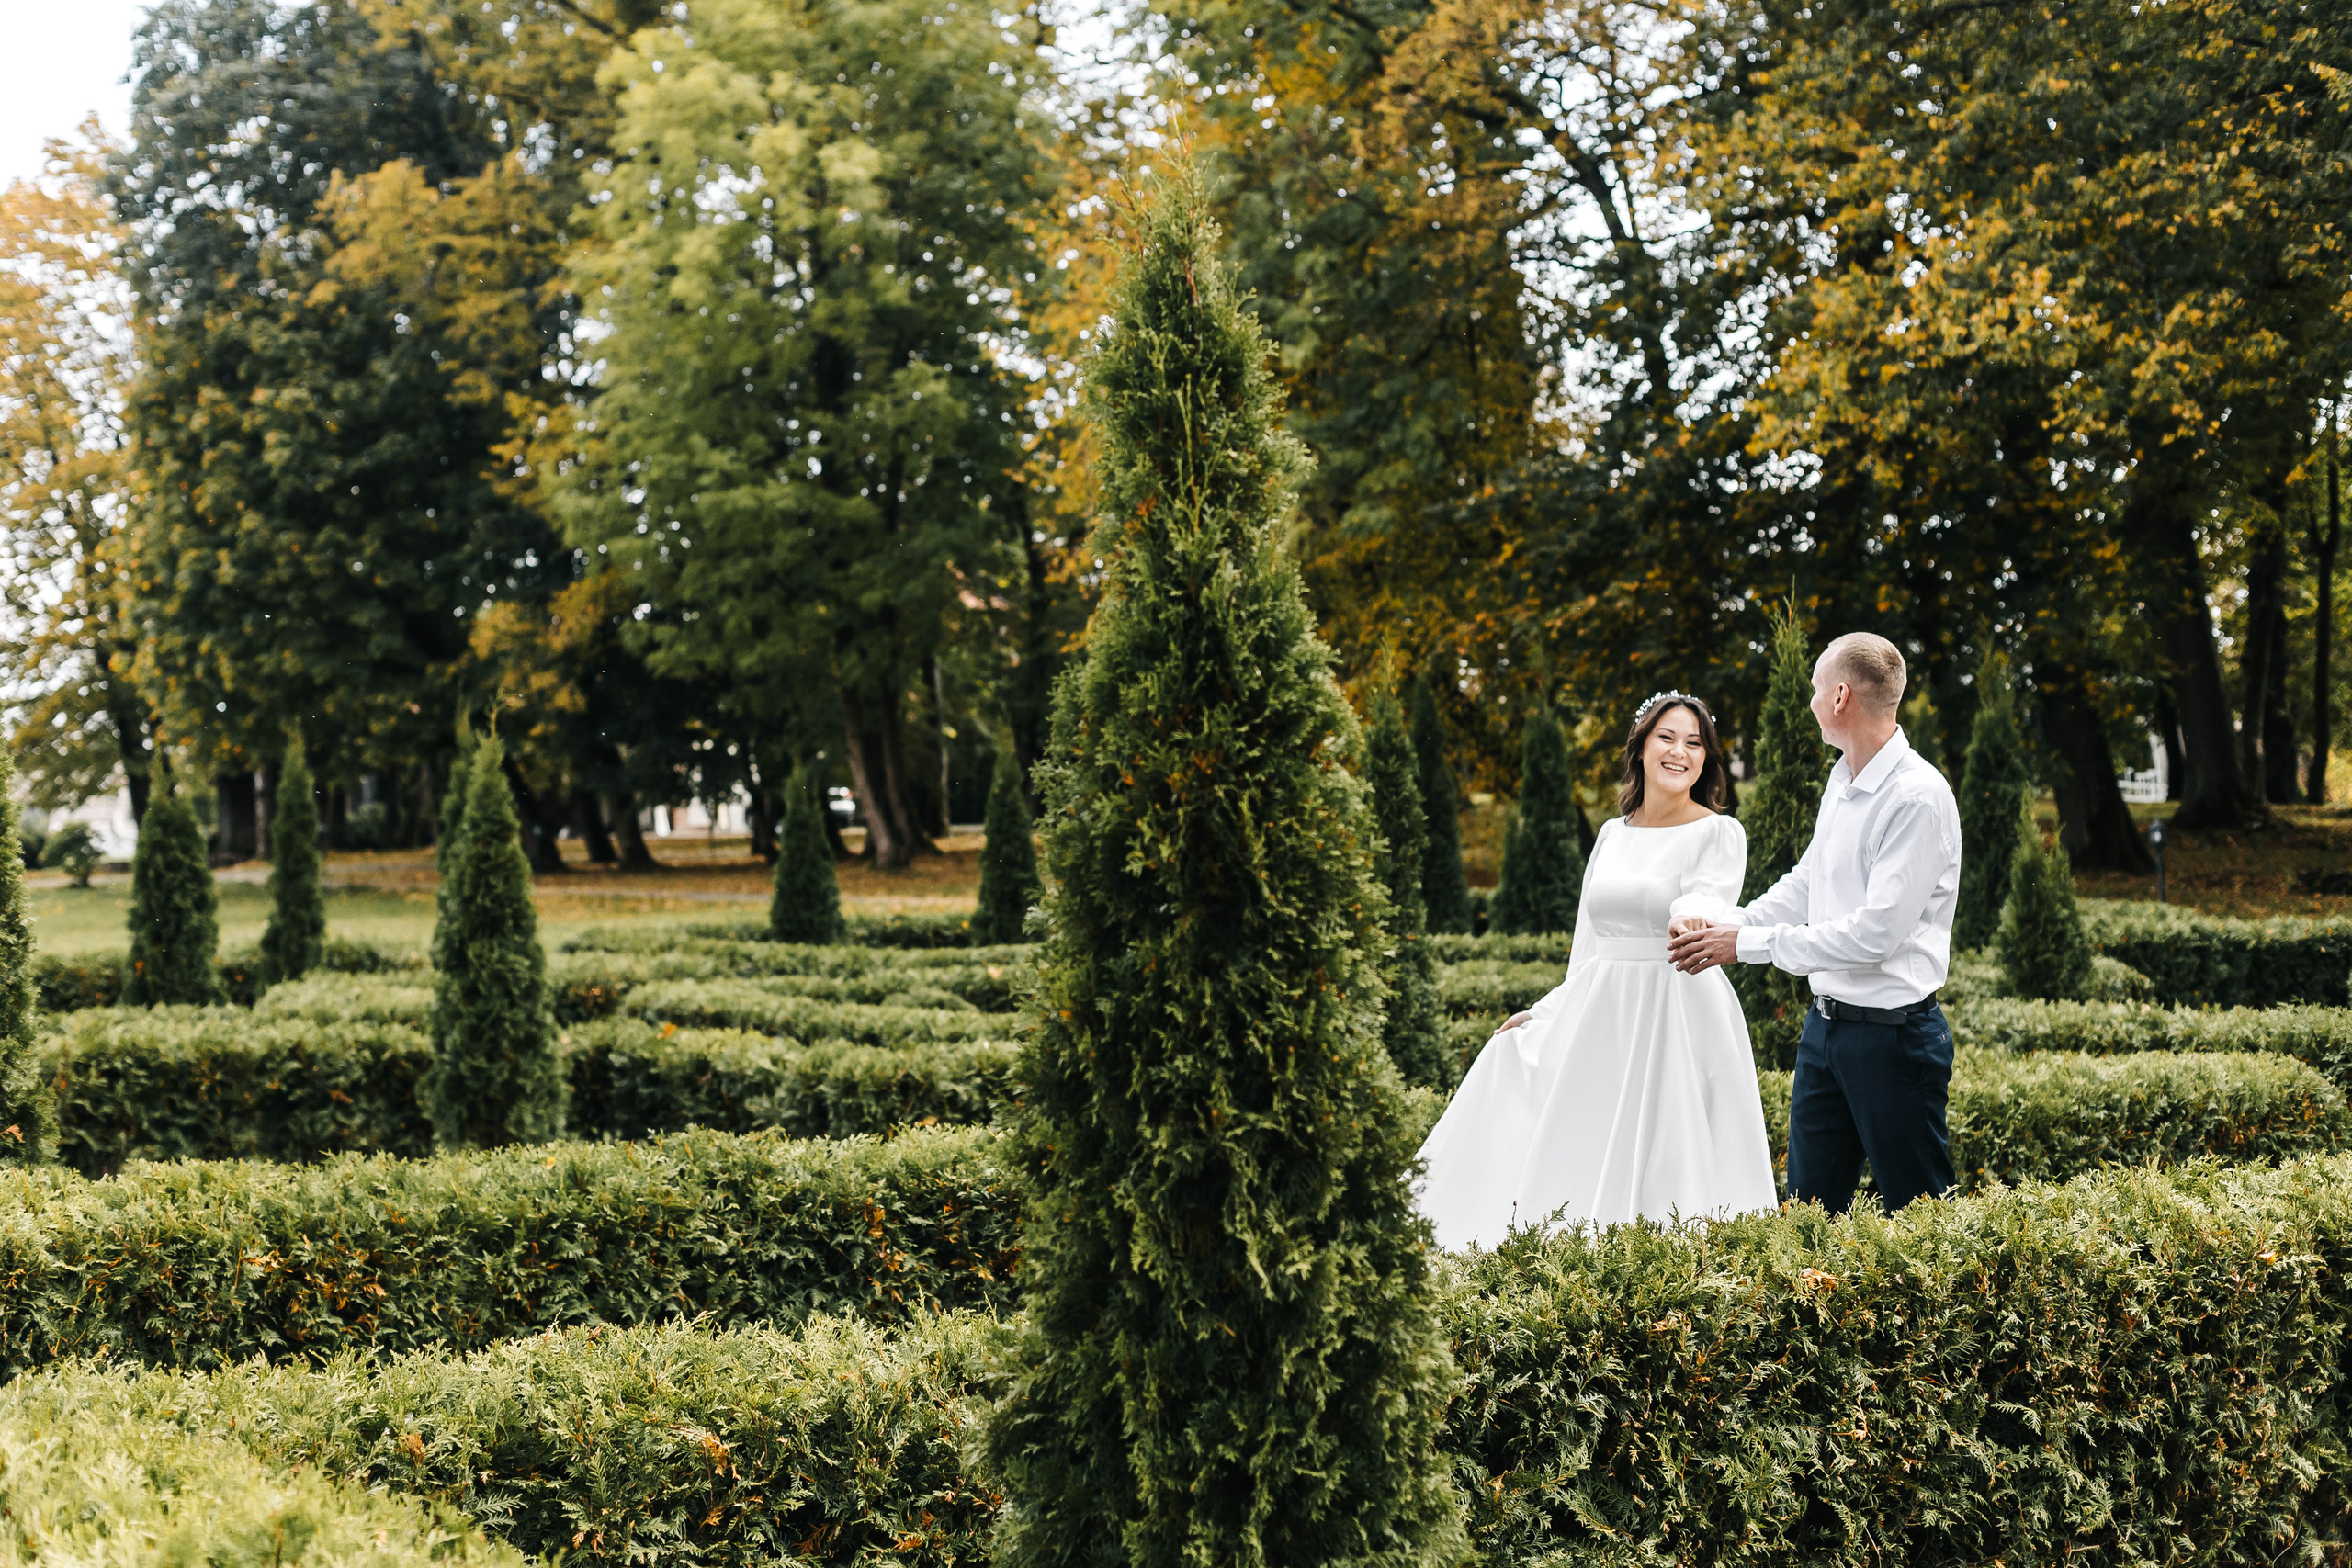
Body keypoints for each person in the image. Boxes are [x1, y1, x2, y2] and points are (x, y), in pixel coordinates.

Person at [1415, 693, 1777, 1250]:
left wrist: (1687, 918)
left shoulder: (1718, 833)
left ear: (1706, 758)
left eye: (1694, 743)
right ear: (1641, 748)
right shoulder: (1612, 833)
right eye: (1667, 738)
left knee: (1669, 1152)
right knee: (1526, 1078)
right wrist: (1545, 1012)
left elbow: (1709, 896)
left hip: (1677, 1008)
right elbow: (1588, 946)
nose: (1680, 752)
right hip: (1604, 1014)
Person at [1667, 631, 1962, 1214]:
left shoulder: (1917, 798)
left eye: (1815, 688)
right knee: (1807, 1215)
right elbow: (1808, 882)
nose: (1810, 700)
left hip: (1893, 1040)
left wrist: (1747, 944)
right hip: (1824, 1032)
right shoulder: (1842, 778)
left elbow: (1875, 936)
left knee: (1922, 1218)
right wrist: (1730, 924)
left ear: (1841, 697)